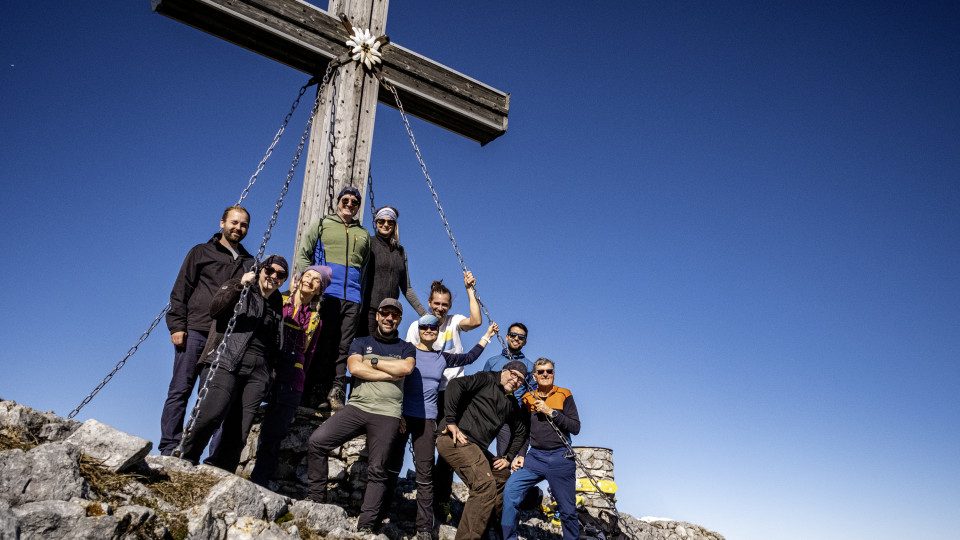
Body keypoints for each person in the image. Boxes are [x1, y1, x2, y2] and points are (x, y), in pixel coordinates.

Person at [306, 298, 416, 532]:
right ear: (377, 315)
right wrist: (389, 373)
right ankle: (316, 498)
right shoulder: (360, 341)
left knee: (378, 471)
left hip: (387, 414)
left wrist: (373, 364)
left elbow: (406, 369)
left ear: (399, 320)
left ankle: (366, 527)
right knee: (317, 442)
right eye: (385, 313)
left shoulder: (406, 347)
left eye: (394, 315)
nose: (389, 318)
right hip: (356, 408)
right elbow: (355, 368)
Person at [384, 316, 499, 538]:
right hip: (407, 416)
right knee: (393, 465)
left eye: (433, 327)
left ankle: (433, 519)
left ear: (438, 332)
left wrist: (486, 337)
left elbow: (469, 357)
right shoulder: (407, 351)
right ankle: (383, 511)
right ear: (419, 330)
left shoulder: (441, 359)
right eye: (424, 326)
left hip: (430, 420)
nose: (428, 330)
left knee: (434, 472)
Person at [159, 206, 254, 456]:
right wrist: (177, 326)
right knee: (180, 389)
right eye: (234, 222)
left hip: (225, 338)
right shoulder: (201, 252)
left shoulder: (249, 262)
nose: (238, 228)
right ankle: (170, 446)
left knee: (213, 398)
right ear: (222, 223)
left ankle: (199, 453)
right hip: (196, 330)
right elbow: (181, 290)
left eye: (243, 225)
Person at [178, 255, 288, 467]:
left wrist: (269, 374)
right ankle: (186, 459)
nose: (273, 276)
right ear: (260, 270)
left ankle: (222, 472)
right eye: (269, 270)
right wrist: (239, 285)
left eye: (280, 274)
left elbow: (276, 343)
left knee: (240, 430)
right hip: (227, 359)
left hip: (258, 371)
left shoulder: (277, 305)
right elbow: (215, 310)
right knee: (210, 415)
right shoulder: (240, 287)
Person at [404, 275, 482, 518]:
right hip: (426, 392)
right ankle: (421, 500)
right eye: (436, 304)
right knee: (423, 443)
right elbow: (408, 359)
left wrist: (470, 290)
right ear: (429, 302)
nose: (440, 308)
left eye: (444, 305)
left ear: (449, 306)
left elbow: (476, 321)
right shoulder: (418, 327)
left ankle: (443, 503)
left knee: (448, 447)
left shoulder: (455, 321)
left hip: (453, 391)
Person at [250, 265, 332, 488]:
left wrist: (300, 378)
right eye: (308, 276)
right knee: (242, 418)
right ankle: (221, 466)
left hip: (292, 377)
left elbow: (310, 353)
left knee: (274, 433)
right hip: (265, 368)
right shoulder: (279, 301)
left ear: (319, 290)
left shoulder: (316, 319)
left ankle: (259, 480)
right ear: (298, 279)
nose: (310, 282)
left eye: (316, 281)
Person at [295, 186, 371, 410]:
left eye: (354, 202)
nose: (349, 204)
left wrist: (361, 298)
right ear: (338, 201)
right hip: (328, 293)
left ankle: (336, 389)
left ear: (358, 206)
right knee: (322, 342)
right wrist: (308, 283)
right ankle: (316, 389)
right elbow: (303, 253)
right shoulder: (322, 224)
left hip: (353, 297)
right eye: (345, 200)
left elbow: (364, 269)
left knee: (344, 346)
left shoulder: (364, 234)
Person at [435, 362, 529, 540]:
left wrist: (508, 457)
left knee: (502, 476)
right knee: (484, 485)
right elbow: (456, 384)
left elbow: (521, 432)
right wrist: (450, 421)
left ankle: (487, 528)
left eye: (520, 380)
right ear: (504, 371)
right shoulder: (486, 379)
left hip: (476, 448)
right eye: (513, 374)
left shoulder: (510, 403)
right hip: (454, 438)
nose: (515, 380)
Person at [501, 359, 581, 540]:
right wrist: (521, 455)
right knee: (511, 492)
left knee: (567, 510)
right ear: (535, 376)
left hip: (561, 457)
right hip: (535, 458)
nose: (546, 374)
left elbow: (575, 427)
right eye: (541, 372)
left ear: (553, 374)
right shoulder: (527, 398)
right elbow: (524, 432)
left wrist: (551, 412)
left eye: (549, 371)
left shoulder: (565, 394)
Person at [360, 206, 428, 337]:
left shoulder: (401, 252)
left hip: (391, 313)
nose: (385, 225)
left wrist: (424, 314)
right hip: (370, 310)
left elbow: (406, 288)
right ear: (376, 223)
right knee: (368, 351)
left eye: (389, 222)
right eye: (381, 221)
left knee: (386, 353)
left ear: (395, 225)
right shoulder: (369, 244)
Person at [481, 322, 536, 457]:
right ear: (507, 337)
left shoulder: (529, 366)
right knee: (475, 449)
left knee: (503, 458)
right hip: (488, 414)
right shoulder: (492, 361)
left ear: (525, 342)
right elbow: (482, 387)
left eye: (521, 337)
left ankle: (500, 477)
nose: (516, 338)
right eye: (513, 335)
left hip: (510, 417)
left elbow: (532, 394)